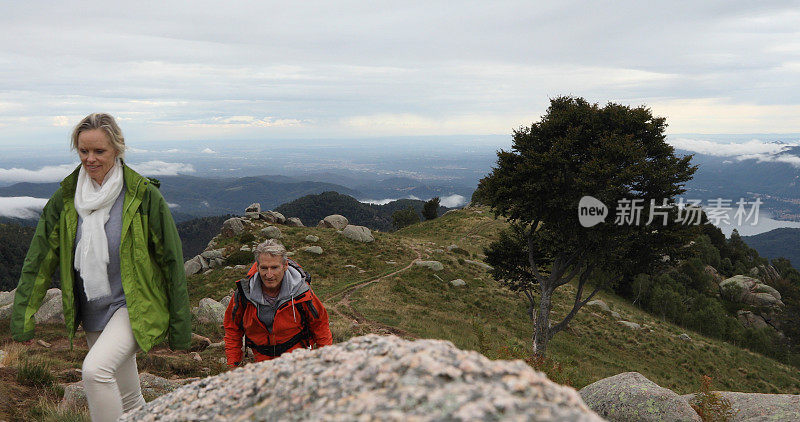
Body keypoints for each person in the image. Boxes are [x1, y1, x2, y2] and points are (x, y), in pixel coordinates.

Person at [10, 113, 190, 422]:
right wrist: (23, 319)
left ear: (117, 149)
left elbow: (172, 263)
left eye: (99, 152)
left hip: (133, 305)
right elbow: (38, 262)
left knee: (94, 372)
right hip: (92, 306)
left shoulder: (143, 196)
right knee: (130, 396)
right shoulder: (67, 199)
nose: (90, 159)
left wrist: (180, 328)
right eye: (83, 151)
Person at [223, 239, 332, 366]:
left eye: (274, 268)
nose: (269, 275)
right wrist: (233, 365)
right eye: (264, 268)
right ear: (257, 267)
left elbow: (320, 325)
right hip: (262, 361)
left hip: (298, 359)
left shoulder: (302, 292)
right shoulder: (244, 294)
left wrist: (326, 361)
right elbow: (232, 329)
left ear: (285, 265)